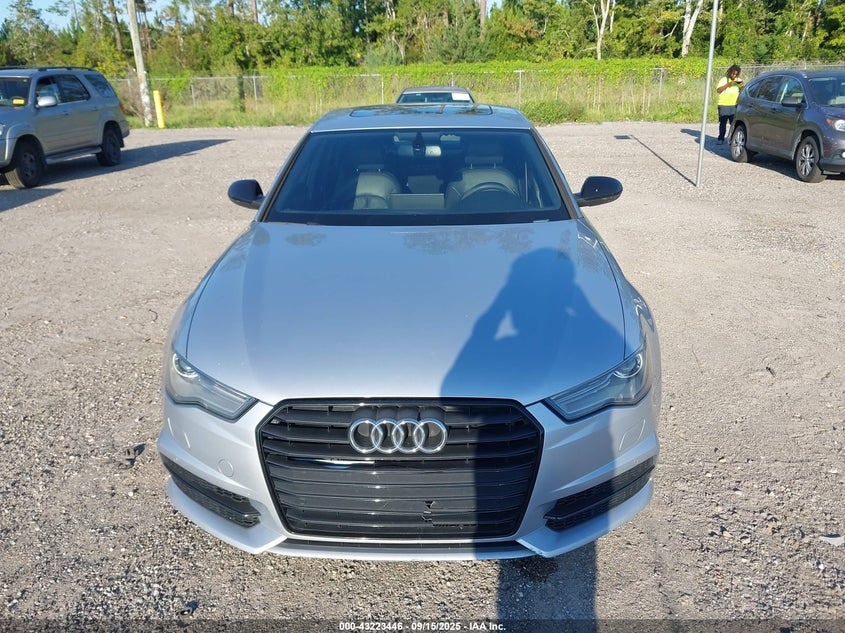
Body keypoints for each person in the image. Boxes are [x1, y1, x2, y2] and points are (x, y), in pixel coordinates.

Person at [716, 65, 743, 144]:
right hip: (723, 104)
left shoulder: (738, 80)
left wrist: (742, 87)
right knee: (723, 123)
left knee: (733, 123)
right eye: (733, 73)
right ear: (730, 72)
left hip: (734, 105)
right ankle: (721, 138)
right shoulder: (724, 79)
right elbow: (718, 90)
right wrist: (728, 84)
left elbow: (742, 92)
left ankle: (732, 139)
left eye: (736, 74)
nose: (734, 75)